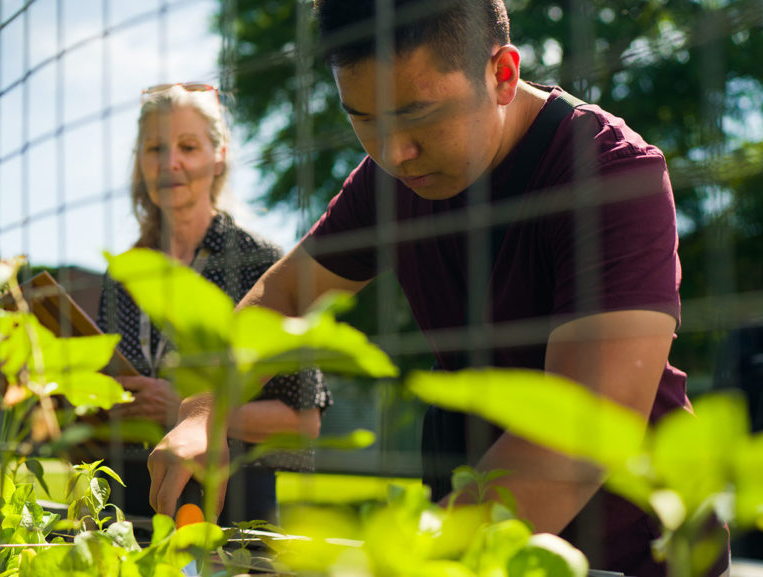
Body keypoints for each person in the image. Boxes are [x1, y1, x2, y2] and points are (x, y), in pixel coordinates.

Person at [147, 2, 729, 575]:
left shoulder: (611, 175)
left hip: (638, 550)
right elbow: (283, 296)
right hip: (472, 530)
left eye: (418, 115)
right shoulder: (389, 180)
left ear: (502, 74)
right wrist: (204, 412)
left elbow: (578, 439)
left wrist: (403, 561)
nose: (394, 153)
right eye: (364, 119)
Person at [96, 83, 331, 525]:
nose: (170, 163)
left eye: (188, 146)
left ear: (219, 154)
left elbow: (304, 422)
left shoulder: (261, 264)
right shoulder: (122, 274)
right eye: (154, 148)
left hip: (233, 512)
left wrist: (184, 409)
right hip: (127, 507)